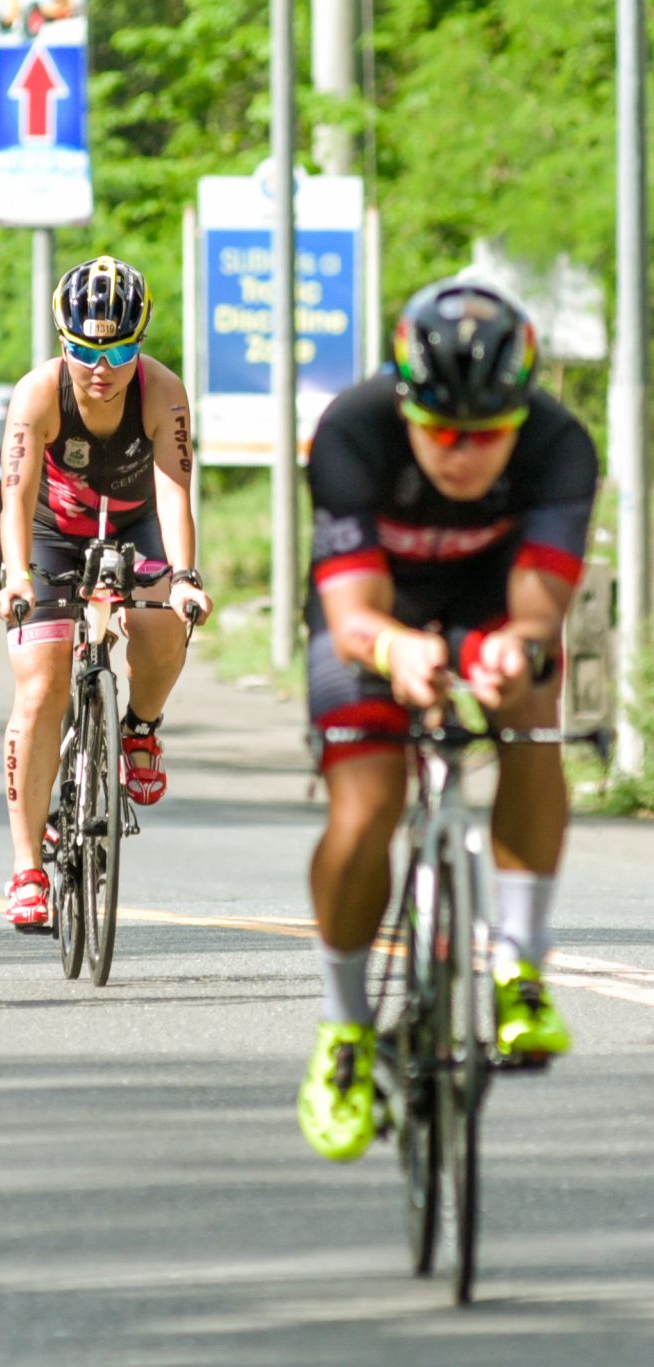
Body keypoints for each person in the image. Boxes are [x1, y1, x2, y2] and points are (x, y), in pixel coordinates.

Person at [296, 279, 595, 1162]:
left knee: (531, 702)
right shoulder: (354, 430)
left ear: (520, 416)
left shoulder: (559, 444)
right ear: (406, 404)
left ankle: (518, 965)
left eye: (485, 434)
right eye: (442, 432)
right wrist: (395, 653)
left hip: (489, 609)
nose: (463, 455)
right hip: (373, 614)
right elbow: (353, 616)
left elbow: (540, 617)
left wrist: (513, 651)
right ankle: (344, 1031)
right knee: (366, 805)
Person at [0, 255, 212, 930]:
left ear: (139, 344)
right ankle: (27, 866)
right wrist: (17, 574)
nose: (101, 367)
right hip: (52, 531)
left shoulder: (162, 392)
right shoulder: (36, 395)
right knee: (40, 687)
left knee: (163, 622)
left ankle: (139, 728)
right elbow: (14, 496)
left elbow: (175, 490)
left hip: (138, 522)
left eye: (118, 350)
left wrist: (185, 577)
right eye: (85, 349)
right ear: (64, 341)